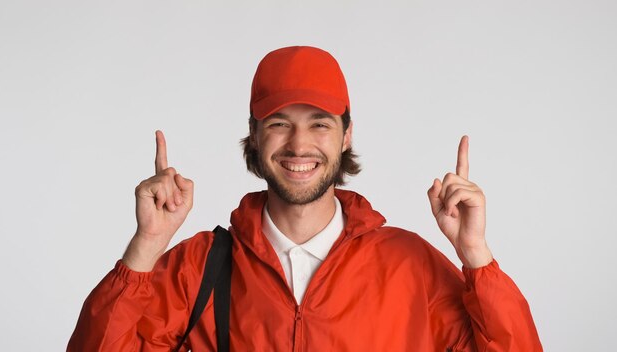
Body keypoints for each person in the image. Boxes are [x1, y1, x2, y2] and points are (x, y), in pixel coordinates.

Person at [68, 46, 542, 351]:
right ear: (253, 137)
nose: (298, 145)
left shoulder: (410, 266)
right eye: (278, 123)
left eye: (319, 122)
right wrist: (146, 247)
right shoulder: (199, 268)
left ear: (346, 135)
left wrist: (476, 257)